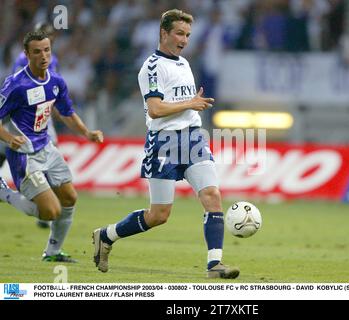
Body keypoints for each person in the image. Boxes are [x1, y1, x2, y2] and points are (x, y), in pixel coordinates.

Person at [92, 9, 239, 279]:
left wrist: (192, 105)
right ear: (164, 33)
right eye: (179, 34)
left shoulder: (183, 63)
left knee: (212, 196)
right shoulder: (151, 67)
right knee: (159, 215)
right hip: (164, 142)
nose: (184, 40)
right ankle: (106, 235)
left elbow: (181, 103)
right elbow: (156, 109)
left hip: (193, 137)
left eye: (188, 35)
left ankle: (214, 265)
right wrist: (191, 103)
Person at [0, 30, 103, 262]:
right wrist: (8, 138)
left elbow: (67, 113)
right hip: (24, 156)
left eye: (46, 50)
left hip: (47, 149)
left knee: (69, 198)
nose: (43, 56)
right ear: (26, 54)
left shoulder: (56, 81)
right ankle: (4, 193)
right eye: (37, 52)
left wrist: (87, 132)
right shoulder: (16, 85)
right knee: (50, 212)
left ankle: (53, 252)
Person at [4, 22, 60, 229]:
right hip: (25, 117)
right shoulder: (23, 61)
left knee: (47, 157)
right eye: (47, 34)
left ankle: (41, 202)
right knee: (20, 153)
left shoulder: (53, 59)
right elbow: (23, 88)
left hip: (43, 116)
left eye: (52, 36)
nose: (51, 38)